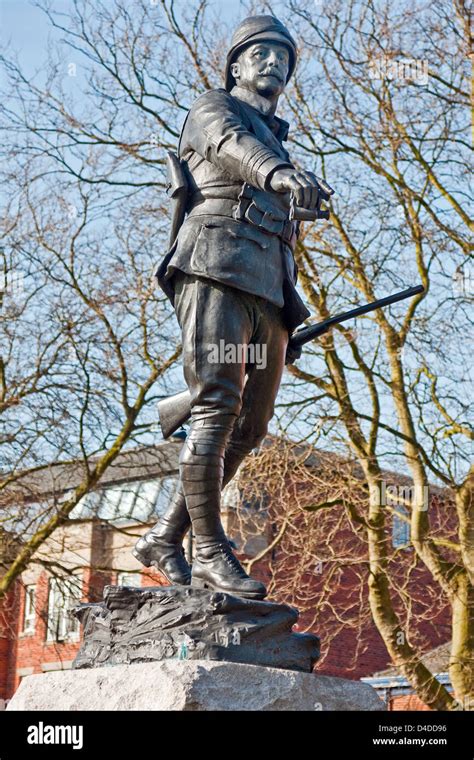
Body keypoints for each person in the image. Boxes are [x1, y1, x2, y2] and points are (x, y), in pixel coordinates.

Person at [133, 15, 333, 599]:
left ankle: (164, 536)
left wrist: (286, 313)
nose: (273, 63)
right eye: (261, 54)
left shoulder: (280, 141)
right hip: (213, 263)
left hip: (268, 292)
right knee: (216, 407)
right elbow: (231, 148)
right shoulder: (213, 108)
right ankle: (210, 551)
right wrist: (281, 174)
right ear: (237, 65)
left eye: (284, 58)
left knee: (250, 426)